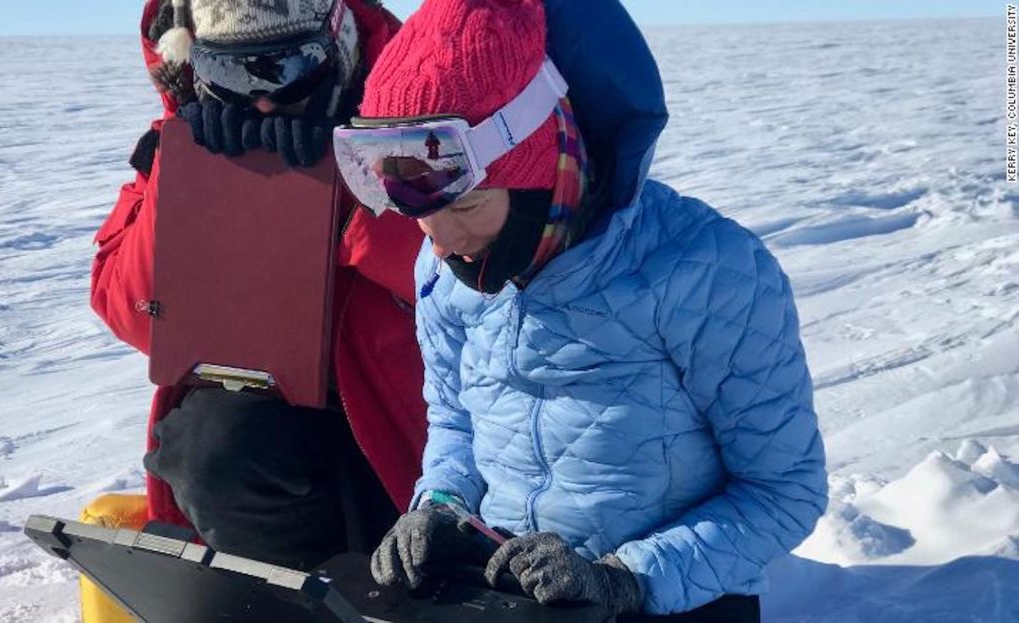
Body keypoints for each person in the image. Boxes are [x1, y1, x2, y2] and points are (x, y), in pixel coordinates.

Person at [333, 0, 829, 619]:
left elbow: (784, 492)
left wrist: (625, 579)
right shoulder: (444, 266)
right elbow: (457, 419)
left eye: (465, 209)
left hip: (673, 598)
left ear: (542, 174)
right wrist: (440, 502)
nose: (439, 243)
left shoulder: (708, 271)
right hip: (515, 593)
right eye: (421, 215)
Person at [89, 0, 427, 571]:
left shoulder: (424, 112)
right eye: (232, 75)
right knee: (213, 443)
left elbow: (485, 277)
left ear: (338, 48)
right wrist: (188, 182)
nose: (263, 99)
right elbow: (132, 313)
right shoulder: (188, 139)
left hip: (410, 435)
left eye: (285, 70)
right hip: (263, 445)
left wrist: (342, 191)